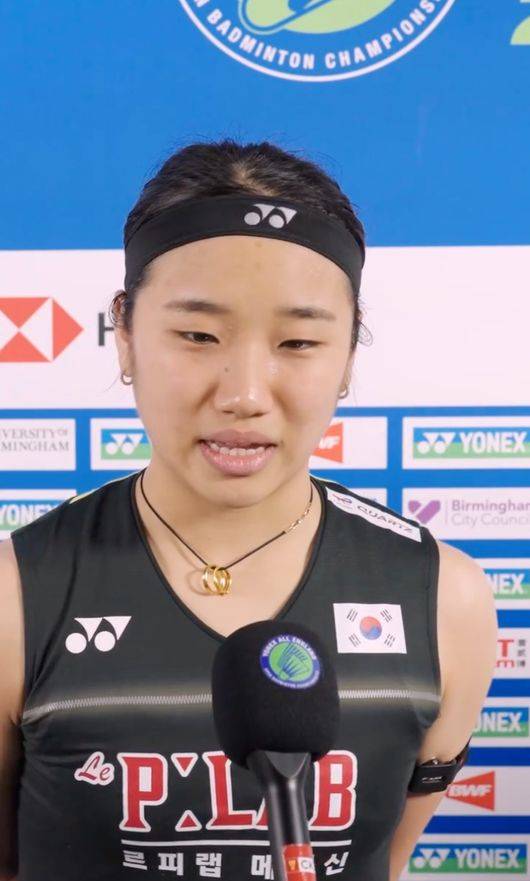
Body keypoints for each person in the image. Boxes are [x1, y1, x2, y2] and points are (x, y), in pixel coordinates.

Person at [0, 138, 497, 881]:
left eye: (298, 341)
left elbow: (386, 859)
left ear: (349, 353)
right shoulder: (16, 595)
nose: (245, 394)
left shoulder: (446, 599)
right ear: (125, 334)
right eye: (197, 336)